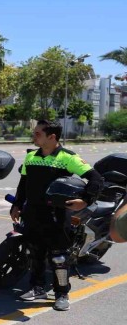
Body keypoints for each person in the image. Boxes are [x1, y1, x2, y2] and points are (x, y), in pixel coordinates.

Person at [10, 120, 103, 311]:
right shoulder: (31, 157)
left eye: (37, 133)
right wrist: (17, 205)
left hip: (57, 216)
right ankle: (37, 288)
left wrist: (85, 200)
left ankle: (61, 294)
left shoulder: (68, 158)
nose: (33, 136)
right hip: (33, 213)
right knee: (35, 253)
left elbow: (96, 178)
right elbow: (24, 183)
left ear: (52, 137)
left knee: (59, 257)